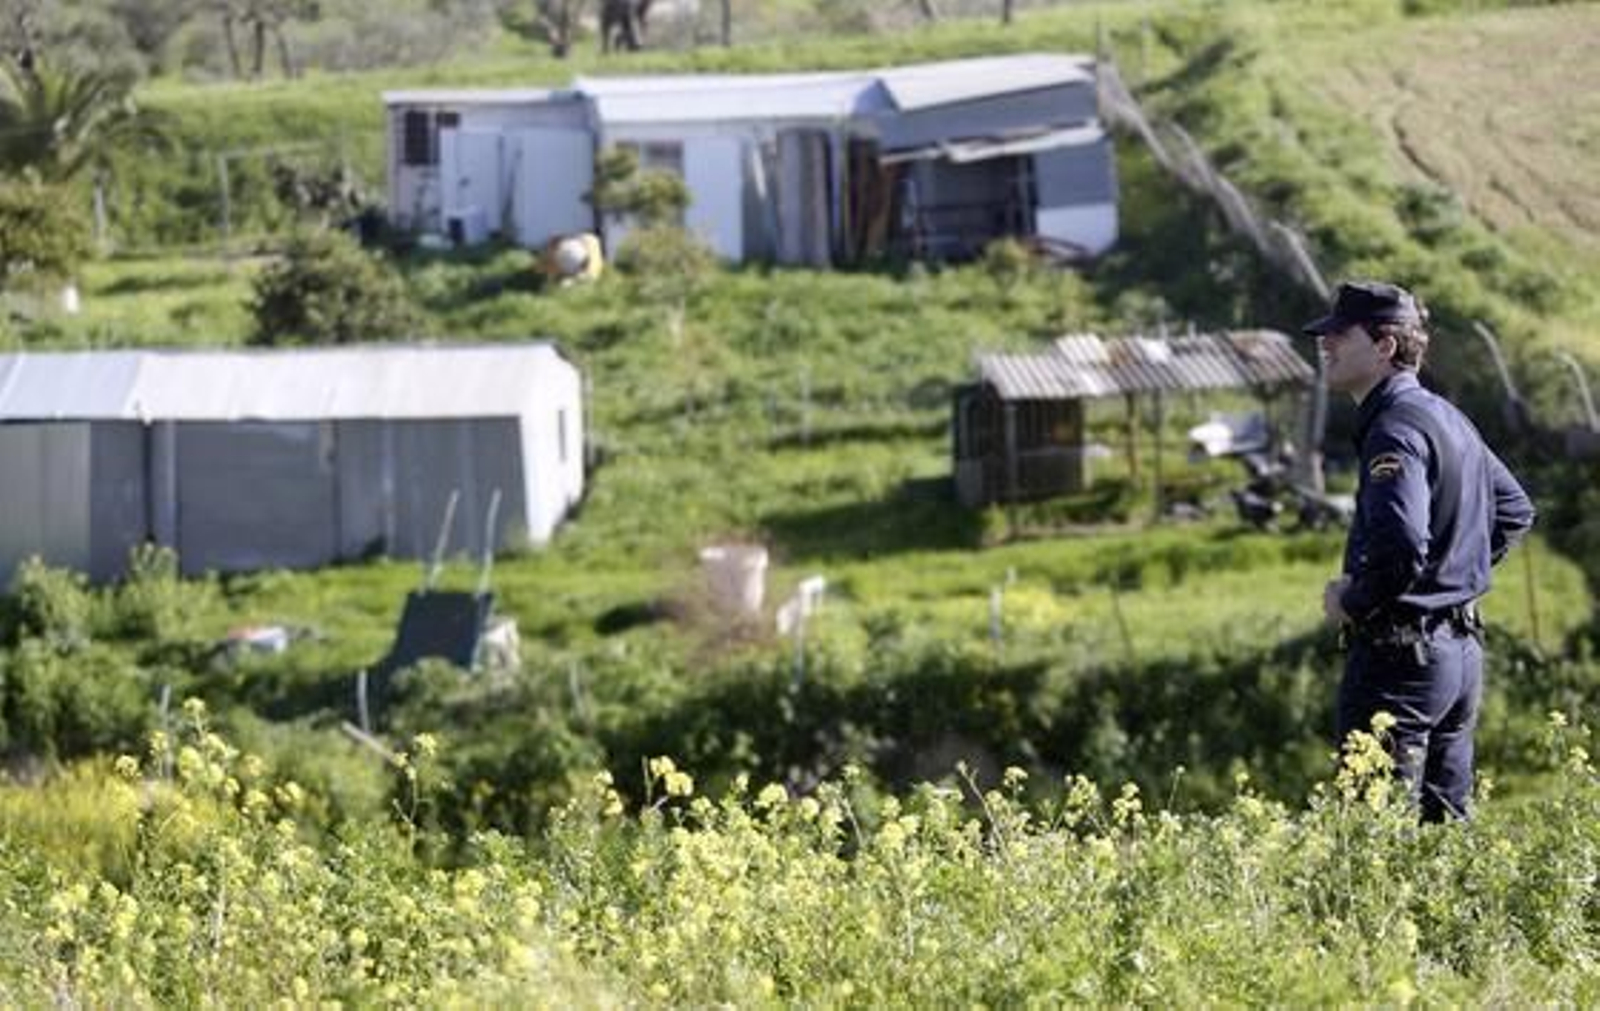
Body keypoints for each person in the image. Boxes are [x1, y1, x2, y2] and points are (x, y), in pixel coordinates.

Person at [1304, 280, 1535, 821]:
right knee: (1442, 835)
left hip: (1399, 660)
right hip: (1458, 657)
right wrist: (1447, 583)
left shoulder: (1392, 429)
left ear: (1385, 346)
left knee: (1372, 833)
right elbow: (1513, 510)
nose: (1325, 344)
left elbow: (1403, 545)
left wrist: (1354, 602)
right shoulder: (1446, 416)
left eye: (1341, 335)